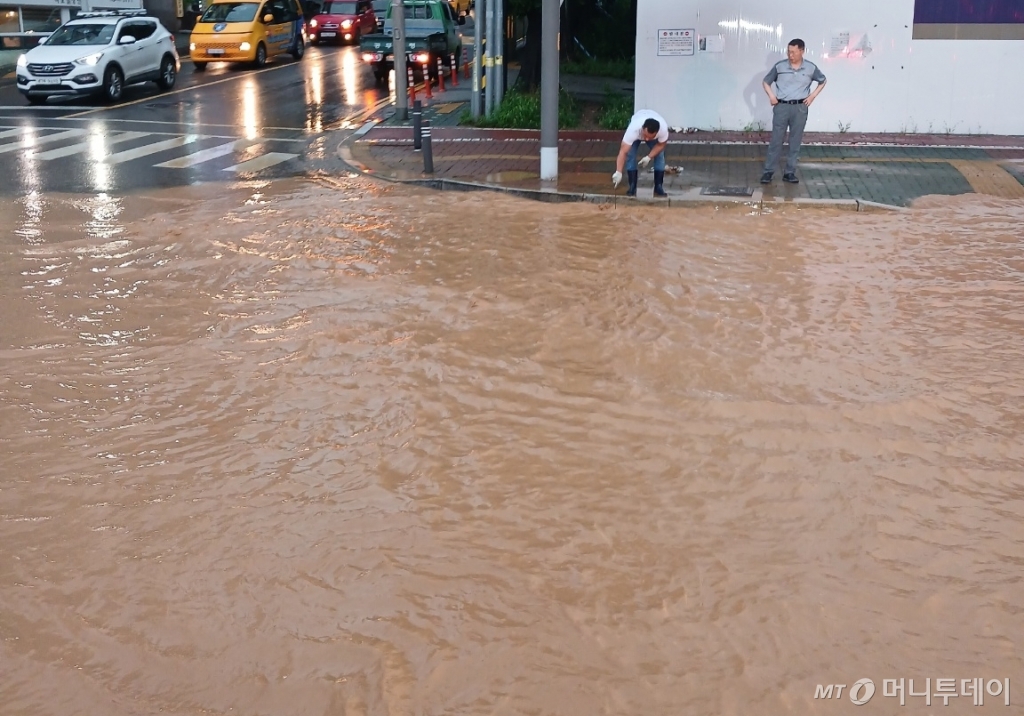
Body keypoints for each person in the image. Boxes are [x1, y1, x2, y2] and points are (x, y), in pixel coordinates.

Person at [759, 38, 826, 185]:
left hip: (800, 108)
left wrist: (812, 96)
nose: (791, 55)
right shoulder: (780, 67)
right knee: (776, 141)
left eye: (794, 52)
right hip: (782, 107)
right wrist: (771, 96)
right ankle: (768, 172)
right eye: (789, 52)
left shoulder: (810, 68)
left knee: (795, 141)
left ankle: (789, 173)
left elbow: (823, 80)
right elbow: (766, 81)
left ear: (802, 51)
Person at [612, 109, 670, 198]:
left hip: (652, 127)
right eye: (645, 136)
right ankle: (632, 187)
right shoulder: (633, 130)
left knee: (660, 155)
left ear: (657, 133)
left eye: (650, 137)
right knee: (631, 155)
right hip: (636, 130)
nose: (646, 139)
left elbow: (661, 145)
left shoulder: (663, 129)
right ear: (642, 128)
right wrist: (618, 172)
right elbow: (623, 152)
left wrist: (649, 157)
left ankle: (658, 187)